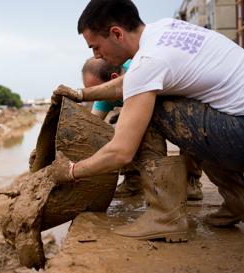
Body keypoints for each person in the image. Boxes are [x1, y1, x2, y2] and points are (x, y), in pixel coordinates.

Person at [50, 0, 244, 242]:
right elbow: (130, 81)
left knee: (152, 108)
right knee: (165, 99)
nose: (96, 55)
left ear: (116, 33)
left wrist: (70, 171)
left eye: (96, 47)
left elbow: (121, 152)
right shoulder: (164, 30)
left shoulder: (148, 61)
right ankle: (239, 200)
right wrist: (81, 94)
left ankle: (165, 217)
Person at [82, 57, 204, 200]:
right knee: (126, 129)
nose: (96, 95)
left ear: (113, 79)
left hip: (178, 102)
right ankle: (134, 180)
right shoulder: (104, 98)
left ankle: (191, 180)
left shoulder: (142, 69)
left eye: (97, 90)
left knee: (189, 129)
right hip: (144, 109)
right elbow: (90, 126)